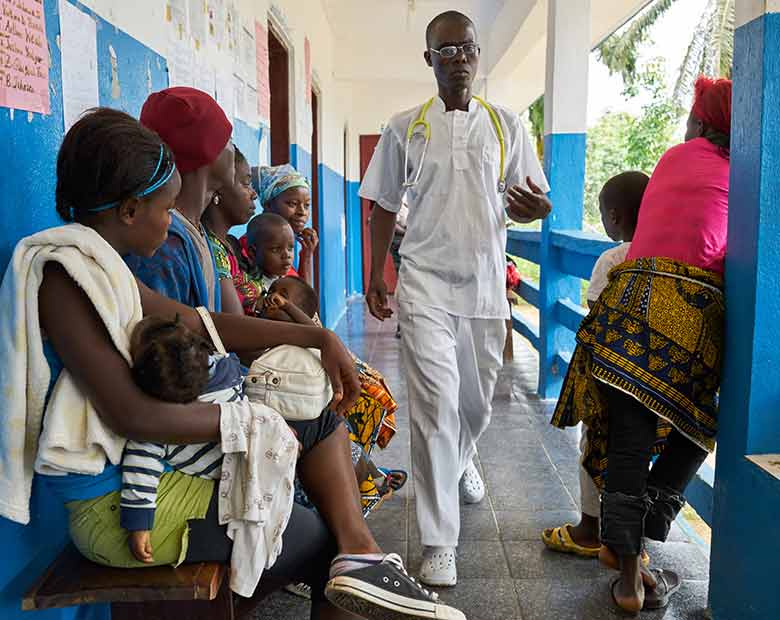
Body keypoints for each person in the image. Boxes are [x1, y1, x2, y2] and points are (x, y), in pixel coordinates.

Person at [0, 107, 466, 620]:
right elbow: (134, 417)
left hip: (145, 476)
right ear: (131, 209)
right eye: (166, 207)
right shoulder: (66, 280)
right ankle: (357, 555)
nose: (171, 219)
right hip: (118, 510)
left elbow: (199, 322)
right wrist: (253, 421)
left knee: (321, 428)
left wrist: (314, 335)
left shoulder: (103, 265)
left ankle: (363, 555)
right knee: (321, 538)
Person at [359, 10, 552, 586]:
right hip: (423, 282)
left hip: (487, 285)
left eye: (468, 47)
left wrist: (538, 209)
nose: (460, 58)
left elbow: (537, 197)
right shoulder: (404, 128)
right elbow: (383, 203)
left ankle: (462, 461)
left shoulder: (506, 125)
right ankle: (440, 541)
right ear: (430, 61)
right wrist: (378, 274)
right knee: (437, 408)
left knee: (474, 407)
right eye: (447, 50)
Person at [551, 76, 731, 615]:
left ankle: (628, 572)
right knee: (699, 429)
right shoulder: (743, 173)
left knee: (628, 441)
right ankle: (643, 534)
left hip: (628, 304)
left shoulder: (674, 160)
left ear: (698, 122)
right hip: (693, 316)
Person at [542, 171, 649, 558]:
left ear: (615, 217)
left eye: (603, 214)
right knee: (640, 457)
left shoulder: (613, 259)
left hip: (611, 380)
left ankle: (590, 529)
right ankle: (635, 540)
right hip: (654, 385)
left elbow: (596, 315)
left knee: (594, 447)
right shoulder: (665, 255)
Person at [125, 87, 236, 312]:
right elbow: (170, 342)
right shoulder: (163, 244)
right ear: (206, 150)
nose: (233, 147)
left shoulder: (194, 228)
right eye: (227, 138)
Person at [202, 145, 259, 315]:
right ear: (218, 188)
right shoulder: (213, 248)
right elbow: (237, 322)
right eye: (246, 183)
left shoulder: (227, 245)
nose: (254, 194)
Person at [251, 163, 319, 286]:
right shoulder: (254, 246)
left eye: (307, 205)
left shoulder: (285, 256)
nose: (302, 212)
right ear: (268, 205)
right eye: (292, 204)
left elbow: (303, 300)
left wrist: (307, 255)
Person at [236, 212, 296, 316]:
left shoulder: (289, 281)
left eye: (290, 248)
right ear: (253, 252)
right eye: (276, 249)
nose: (287, 255)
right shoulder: (248, 286)